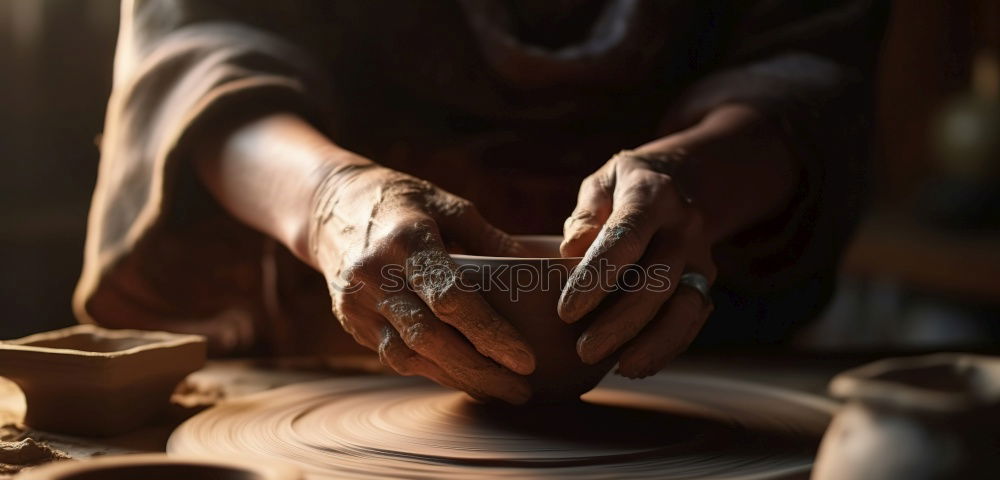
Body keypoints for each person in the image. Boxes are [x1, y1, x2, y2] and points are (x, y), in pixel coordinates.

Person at [74, 0, 888, 404]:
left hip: (686, 343)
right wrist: (329, 199)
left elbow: (812, 63)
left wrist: (693, 184)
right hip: (328, 325)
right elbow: (199, 48)